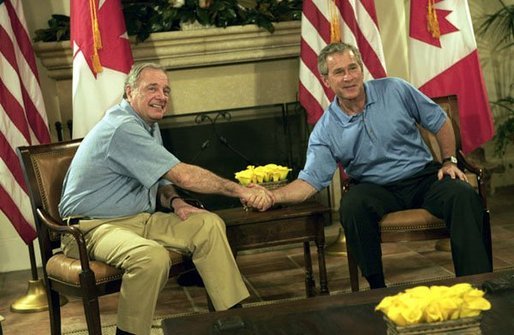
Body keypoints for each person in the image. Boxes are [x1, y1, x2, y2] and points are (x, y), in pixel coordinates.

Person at [249, 42, 492, 290]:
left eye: (352, 68)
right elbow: (310, 180)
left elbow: (439, 121)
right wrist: (273, 196)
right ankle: (377, 289)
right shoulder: (325, 130)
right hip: (375, 188)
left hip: (422, 177)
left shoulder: (395, 89)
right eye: (339, 72)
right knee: (353, 205)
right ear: (326, 81)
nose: (348, 77)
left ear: (361, 68)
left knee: (462, 194)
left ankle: (476, 284)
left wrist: (449, 160)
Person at [58, 62, 274, 335]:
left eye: (166, 90)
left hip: (140, 219)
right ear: (129, 92)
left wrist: (175, 202)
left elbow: (161, 179)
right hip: (91, 228)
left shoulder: (147, 124)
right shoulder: (122, 128)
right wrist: (241, 190)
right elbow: (183, 176)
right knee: (151, 258)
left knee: (208, 225)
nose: (161, 96)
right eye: (152, 88)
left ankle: (231, 321)